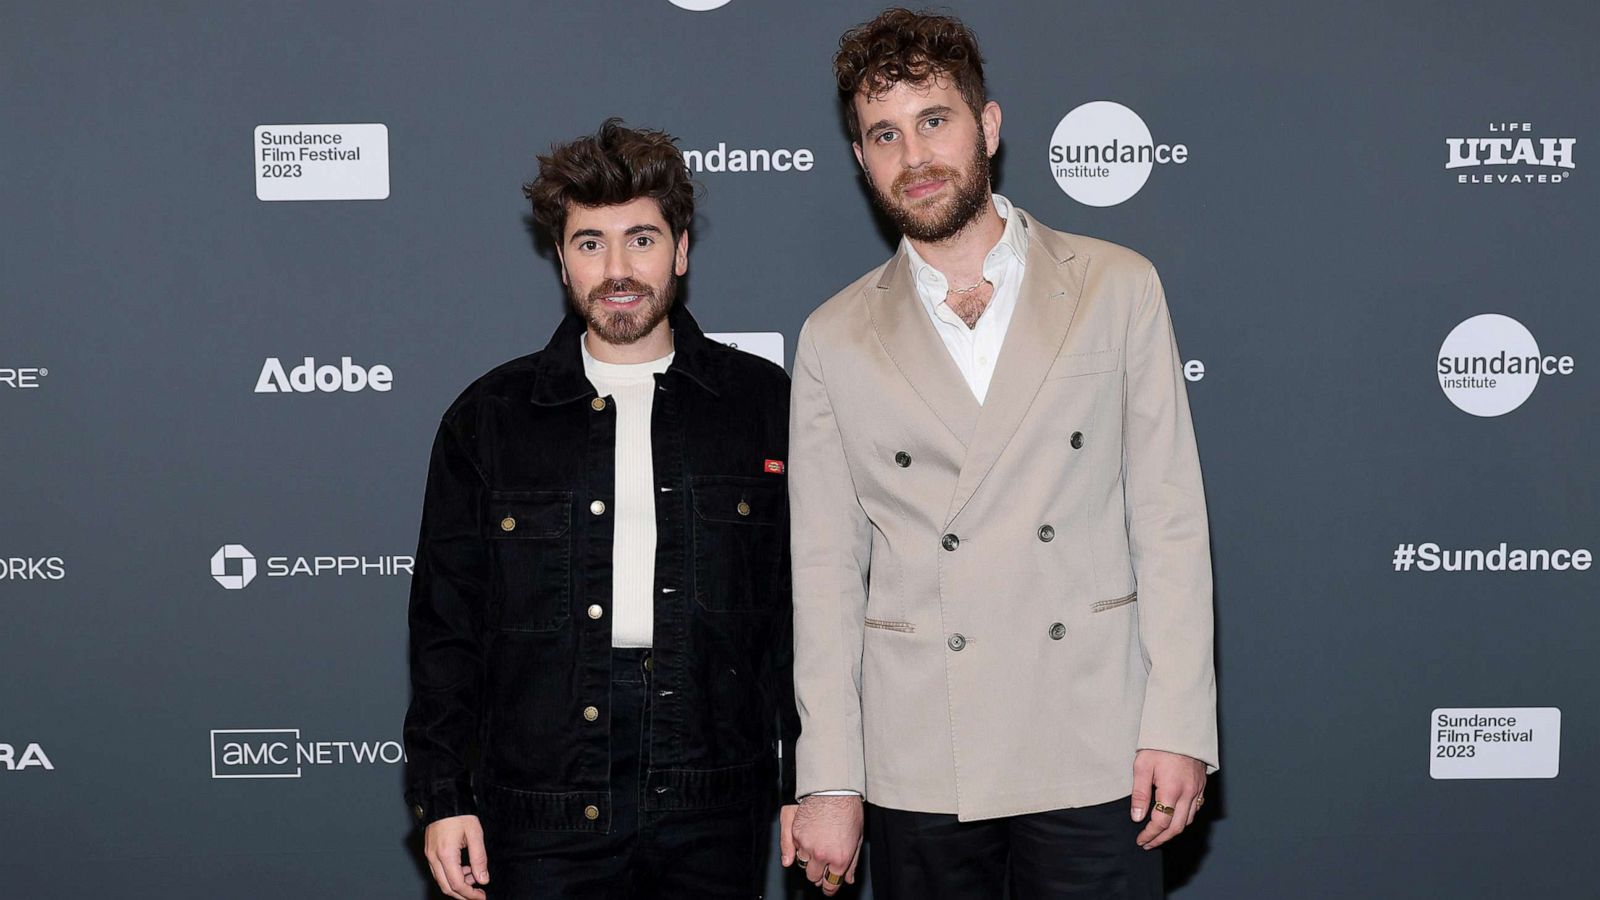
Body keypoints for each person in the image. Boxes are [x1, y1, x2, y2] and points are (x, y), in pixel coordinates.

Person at [785, 10, 1218, 898]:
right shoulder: (833, 337)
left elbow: (1168, 519)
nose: (915, 156)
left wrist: (1179, 720)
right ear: (861, 158)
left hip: (1094, 738)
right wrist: (830, 777)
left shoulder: (1117, 286)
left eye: (935, 121)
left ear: (987, 126)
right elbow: (826, 574)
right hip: (923, 753)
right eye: (885, 135)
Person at [403, 118, 798, 900]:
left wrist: (815, 785)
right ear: (561, 260)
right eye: (590, 244)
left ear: (681, 249)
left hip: (714, 793)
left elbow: (800, 618)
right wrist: (443, 797)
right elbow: (447, 626)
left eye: (641, 239)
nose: (617, 268)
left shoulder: (765, 408)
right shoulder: (489, 418)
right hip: (541, 798)